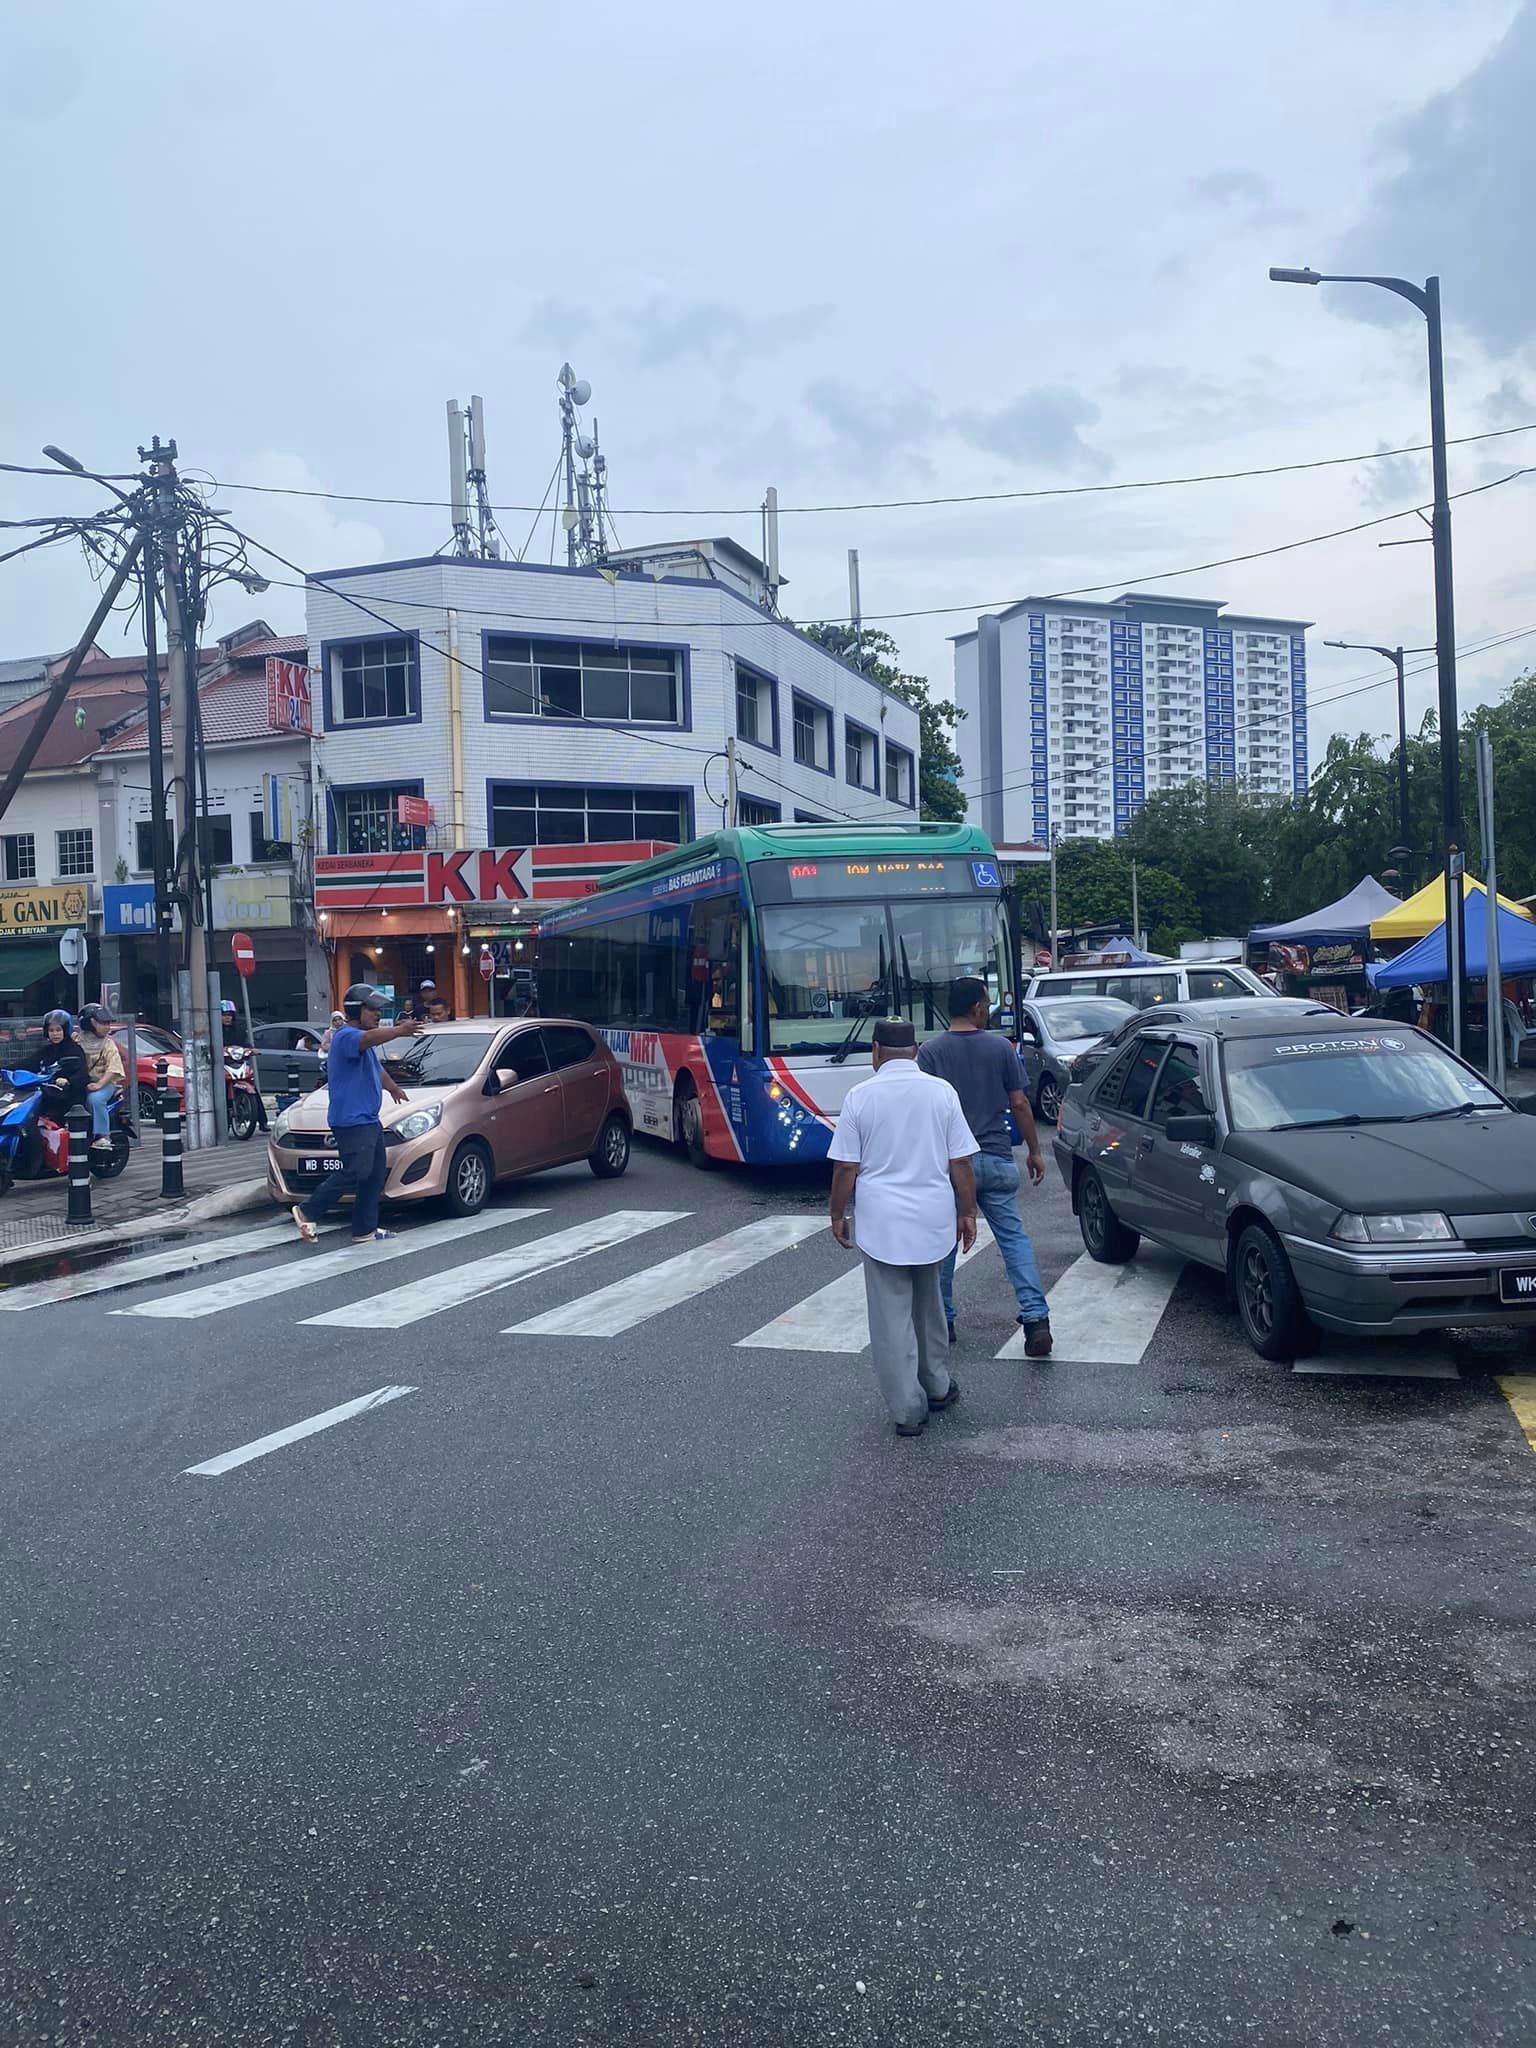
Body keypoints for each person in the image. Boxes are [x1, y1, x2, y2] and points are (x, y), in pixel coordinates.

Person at [828, 1018, 979, 1437]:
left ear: (875, 1051)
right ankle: (937, 1384)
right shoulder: (941, 1092)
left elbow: (846, 1167)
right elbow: (961, 1162)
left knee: (891, 1315)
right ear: (916, 1050)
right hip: (933, 1218)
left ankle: (909, 1409)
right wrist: (968, 1211)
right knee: (929, 1305)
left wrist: (837, 1213)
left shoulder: (860, 1096)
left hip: (883, 1224)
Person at [918, 975, 1052, 1355]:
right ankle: (1036, 1319)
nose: (988, 1010)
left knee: (943, 1246)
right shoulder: (1000, 1049)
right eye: (986, 1004)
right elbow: (1021, 1104)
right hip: (994, 1156)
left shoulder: (930, 1053)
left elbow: (924, 1108)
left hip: (949, 1164)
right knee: (1013, 1239)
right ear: (977, 1007)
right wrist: (1035, 1150)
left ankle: (943, 1322)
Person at [292, 984, 420, 1247]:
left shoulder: (362, 1041)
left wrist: (393, 1087)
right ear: (355, 1010)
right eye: (371, 1009)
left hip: (368, 1119)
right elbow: (366, 1041)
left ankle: (364, 1229)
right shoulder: (345, 1036)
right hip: (351, 1120)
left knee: (373, 1176)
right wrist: (399, 1031)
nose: (376, 1014)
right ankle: (307, 1211)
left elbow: (377, 1070)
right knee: (355, 1170)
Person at [75, 1003, 126, 1152]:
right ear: (89, 1023)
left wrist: (99, 1084)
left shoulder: (108, 1043)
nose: (107, 1027)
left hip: (105, 1084)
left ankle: (102, 1136)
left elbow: (114, 1067)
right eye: (103, 1023)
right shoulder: (77, 1040)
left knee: (95, 1100)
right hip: (82, 1084)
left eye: (108, 1023)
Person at [33, 1009, 88, 1122]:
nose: (55, 1034)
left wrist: (68, 1081)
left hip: (70, 1096)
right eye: (51, 1030)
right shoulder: (47, 1050)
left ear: (66, 1030)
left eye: (58, 1030)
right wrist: (5, 1070)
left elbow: (82, 1073)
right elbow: (29, 1062)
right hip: (49, 1093)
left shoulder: (74, 1049)